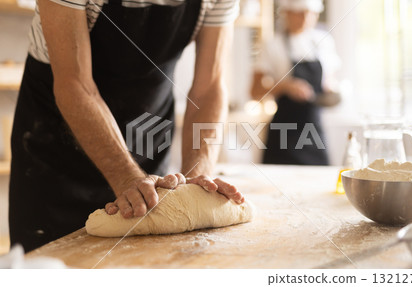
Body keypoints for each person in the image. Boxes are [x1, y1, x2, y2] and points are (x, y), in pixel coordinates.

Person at [9, 0, 244, 252]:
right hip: (57, 155)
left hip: (147, 137)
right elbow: (75, 84)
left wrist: (197, 180)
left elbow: (209, 88)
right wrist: (126, 177)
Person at [251, 0, 341, 165]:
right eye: (300, 12)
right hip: (284, 129)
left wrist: (331, 89)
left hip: (314, 128)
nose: (306, 18)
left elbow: (330, 80)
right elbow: (254, 91)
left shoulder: (324, 42)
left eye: (311, 13)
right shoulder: (272, 45)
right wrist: (285, 86)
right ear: (287, 13)